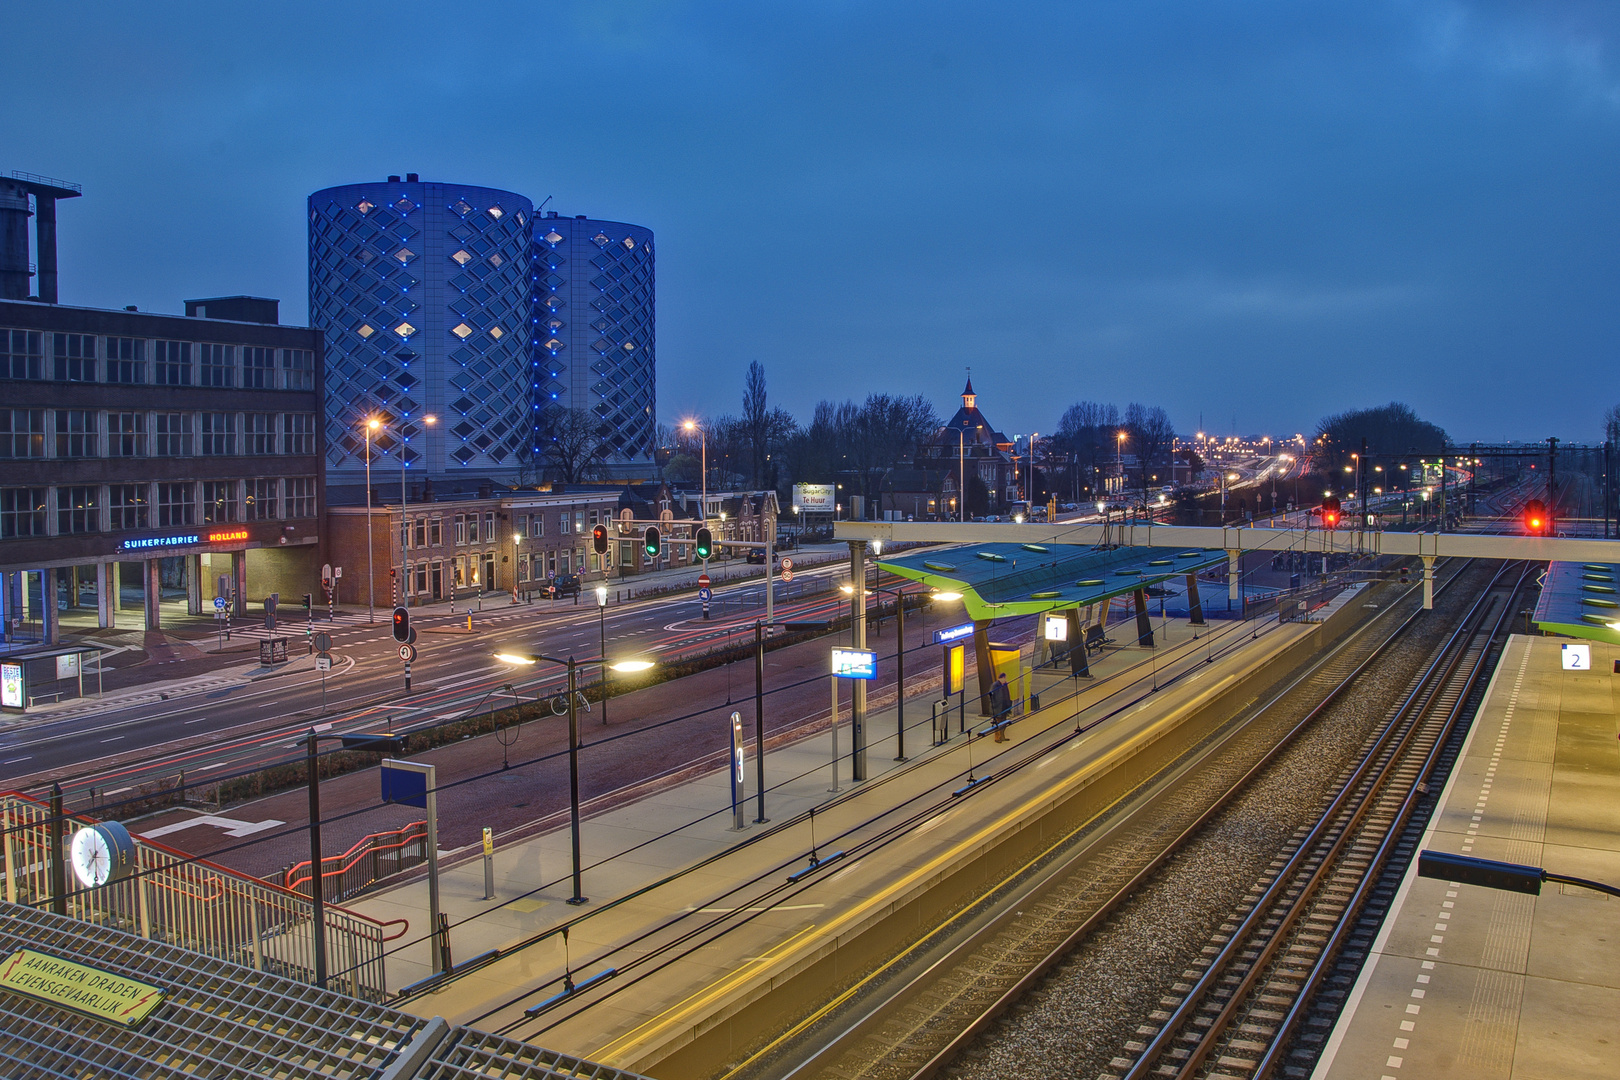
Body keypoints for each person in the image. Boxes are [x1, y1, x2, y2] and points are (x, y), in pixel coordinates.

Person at [990, 672, 1012, 741]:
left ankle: (1002, 736)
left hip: (1004, 707)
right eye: (1004, 678)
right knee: (998, 723)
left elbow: (1007, 694)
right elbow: (991, 696)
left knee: (1004, 723)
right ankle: (997, 738)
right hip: (998, 708)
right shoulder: (995, 685)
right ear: (1001, 678)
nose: (1005, 679)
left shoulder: (1005, 685)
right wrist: (994, 705)